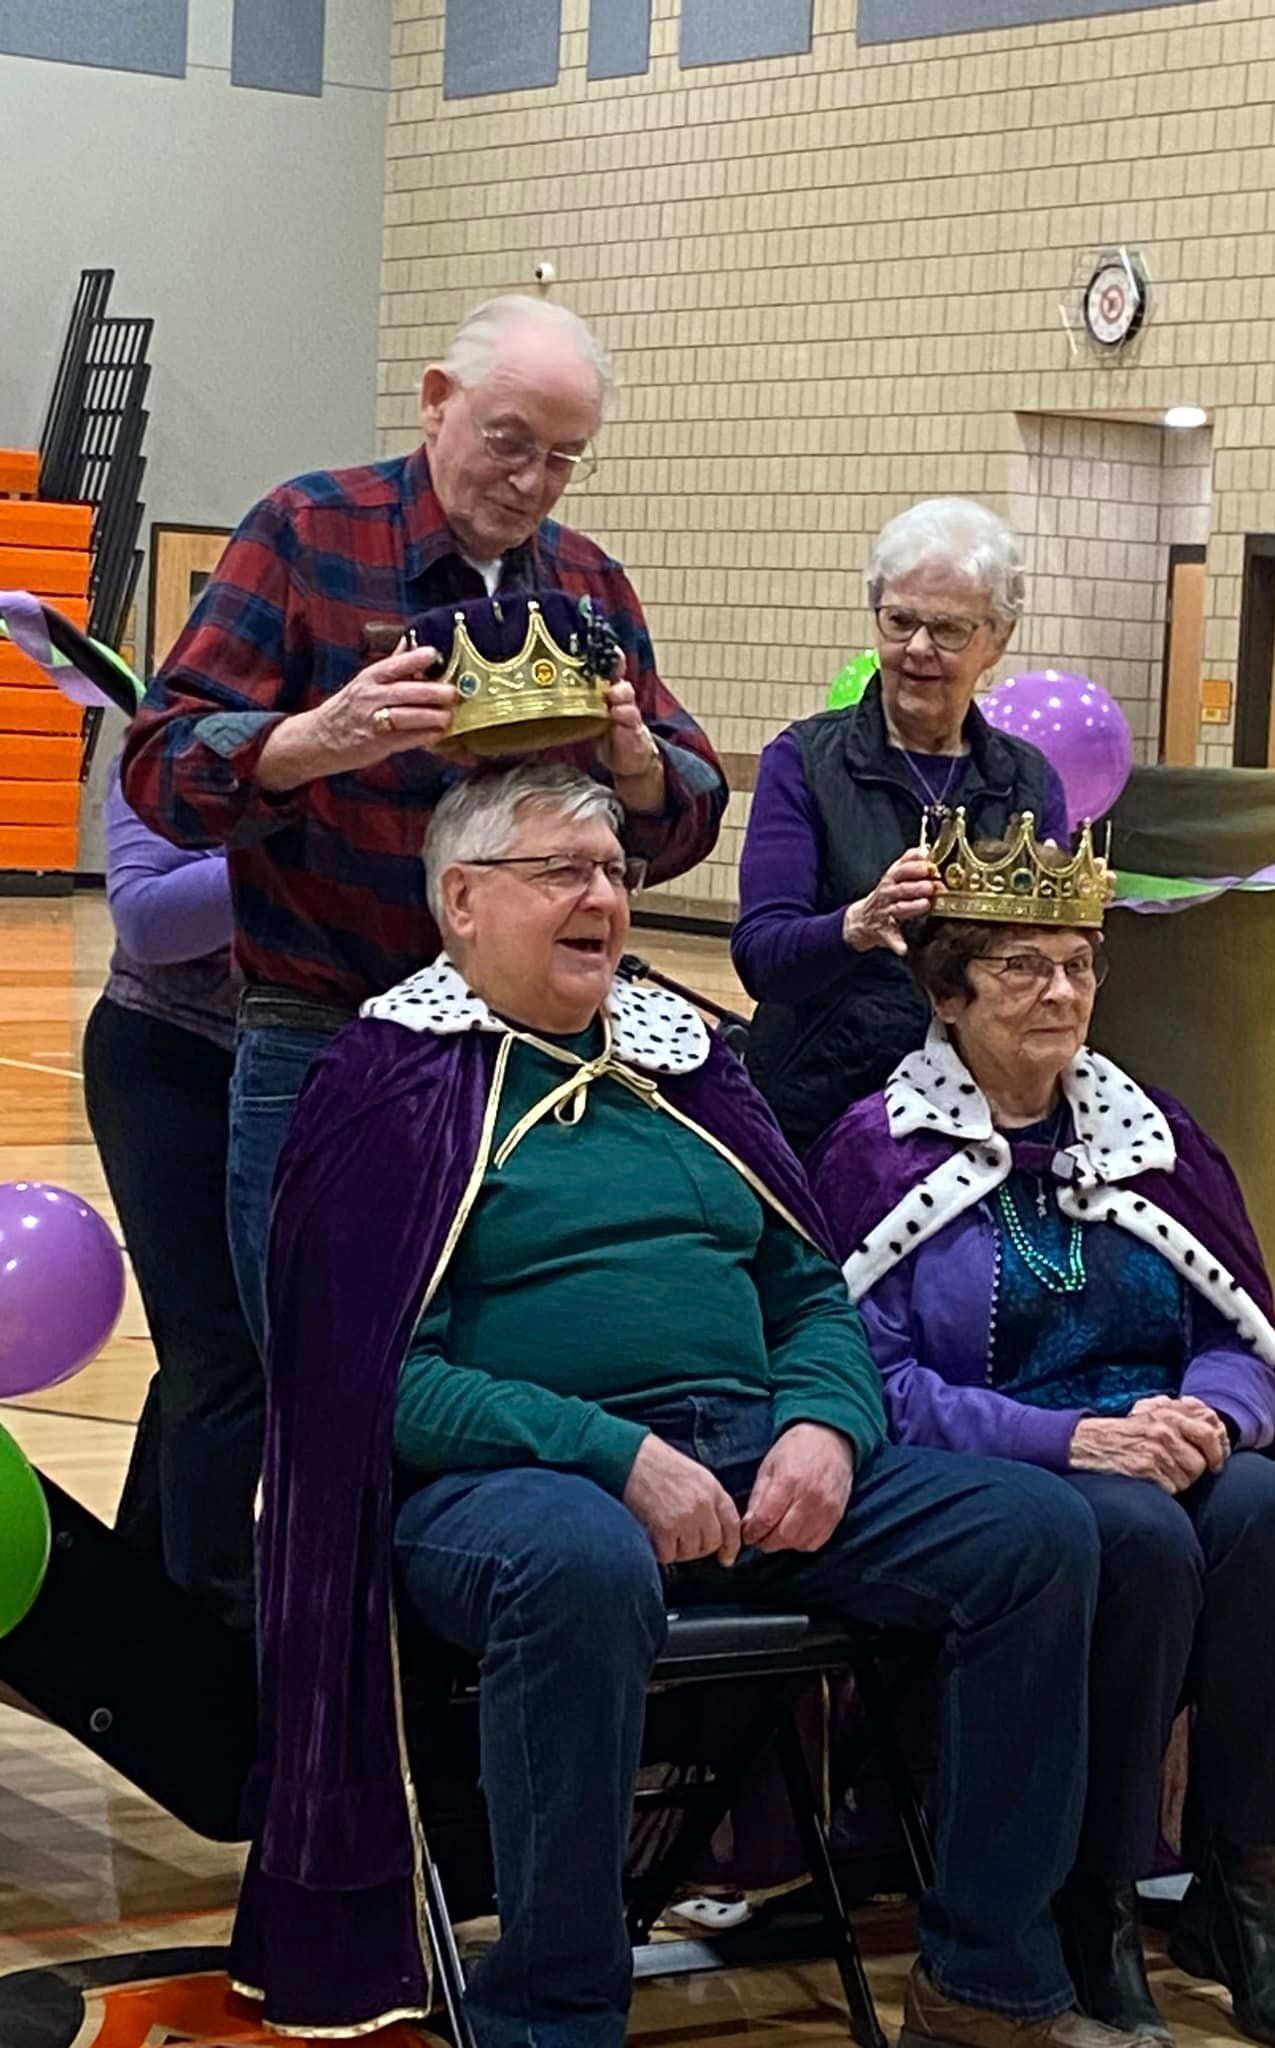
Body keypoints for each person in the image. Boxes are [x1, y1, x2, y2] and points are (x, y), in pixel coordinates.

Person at [227, 762, 1162, 2048]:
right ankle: (552, 2012)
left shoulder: (692, 1064)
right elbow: (367, 1379)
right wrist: (615, 1454)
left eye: (614, 872)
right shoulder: (384, 1083)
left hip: (754, 1441)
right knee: (580, 1565)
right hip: (510, 1486)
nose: (602, 895)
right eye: (562, 871)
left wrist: (827, 1424)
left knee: (1040, 1537)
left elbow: (812, 1291)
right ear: (460, 901)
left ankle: (988, 1976)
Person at [810, 817, 1275, 2048]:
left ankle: (1241, 1886)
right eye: (1023, 965)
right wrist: (1068, 1442)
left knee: (1266, 1513)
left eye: (1081, 962)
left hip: (1161, 1440)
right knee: (1139, 1534)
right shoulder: (877, 1149)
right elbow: (868, 1377)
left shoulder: (1151, 1134)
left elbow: (1238, 1321)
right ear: (949, 992)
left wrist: (1214, 1409)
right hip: (1013, 1468)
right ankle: (1092, 1897)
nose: (1062, 989)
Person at [120, 293, 726, 1347]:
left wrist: (635, 765)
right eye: (510, 443)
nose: (532, 482)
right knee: (322, 1378)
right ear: (437, 402)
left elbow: (687, 815)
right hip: (322, 1034)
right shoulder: (308, 531)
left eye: (565, 458)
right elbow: (160, 763)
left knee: (499, 1369)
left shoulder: (590, 584)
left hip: (525, 1057)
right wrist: (317, 738)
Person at [733, 498, 1069, 1156]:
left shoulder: (1029, 781)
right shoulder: (803, 761)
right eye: (900, 621)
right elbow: (761, 959)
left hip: (985, 1116)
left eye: (947, 630)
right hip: (822, 1112)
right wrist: (853, 926)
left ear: (997, 639)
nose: (917, 648)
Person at [80, 762, 260, 1634]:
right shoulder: (169, 744)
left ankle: (137, 1594)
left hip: (299, 1067)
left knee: (230, 1354)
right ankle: (210, 1625)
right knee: (220, 1356)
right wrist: (295, 837)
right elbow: (149, 921)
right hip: (167, 1059)